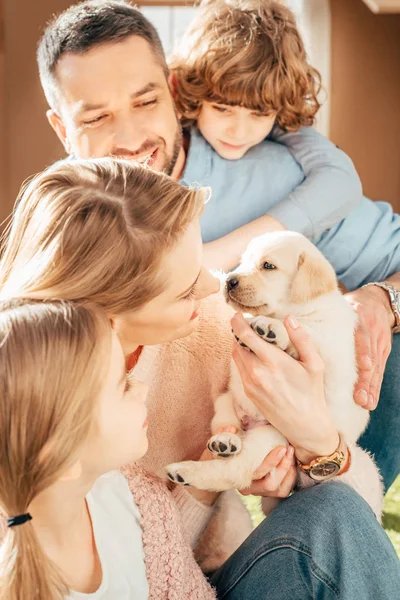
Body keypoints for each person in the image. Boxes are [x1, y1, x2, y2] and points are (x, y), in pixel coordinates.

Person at [35, 0, 400, 489]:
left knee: (353, 458)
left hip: (376, 316)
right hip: (288, 374)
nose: (130, 137)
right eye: (96, 117)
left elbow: (351, 202)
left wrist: (385, 298)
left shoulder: (266, 166)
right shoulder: (67, 223)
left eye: (145, 103)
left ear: (171, 91)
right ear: (61, 128)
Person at [1, 159, 399, 599]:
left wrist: (319, 445)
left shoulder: (221, 330)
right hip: (150, 571)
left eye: (205, 266)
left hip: (184, 570)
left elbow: (353, 522)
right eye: (187, 287)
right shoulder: (25, 390)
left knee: (338, 509)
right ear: (110, 312)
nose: (214, 290)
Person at [0, 298, 215, 599]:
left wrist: (208, 480)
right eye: (123, 385)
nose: (142, 389)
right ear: (63, 456)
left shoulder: (142, 499)